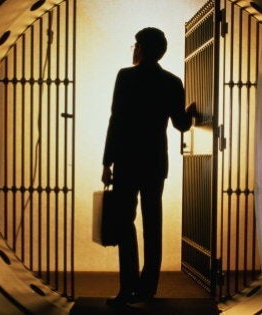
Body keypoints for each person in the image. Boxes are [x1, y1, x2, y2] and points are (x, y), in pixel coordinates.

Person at [101, 27, 197, 307]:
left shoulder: (125, 77)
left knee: (124, 223)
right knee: (152, 225)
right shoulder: (172, 82)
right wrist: (189, 112)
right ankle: (147, 290)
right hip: (155, 163)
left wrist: (107, 162)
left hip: (127, 161)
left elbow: (115, 120)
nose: (133, 49)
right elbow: (180, 124)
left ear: (141, 48)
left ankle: (126, 288)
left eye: (135, 45)